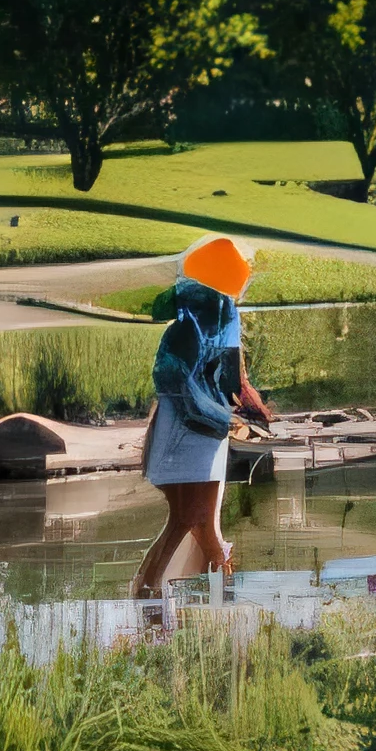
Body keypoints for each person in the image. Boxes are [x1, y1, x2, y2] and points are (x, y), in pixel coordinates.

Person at [132, 235, 267, 597]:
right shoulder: (199, 322)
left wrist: (246, 412)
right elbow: (218, 380)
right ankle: (148, 593)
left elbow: (228, 378)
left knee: (200, 524)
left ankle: (214, 596)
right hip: (190, 432)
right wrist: (245, 414)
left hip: (198, 431)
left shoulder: (201, 317)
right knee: (188, 521)